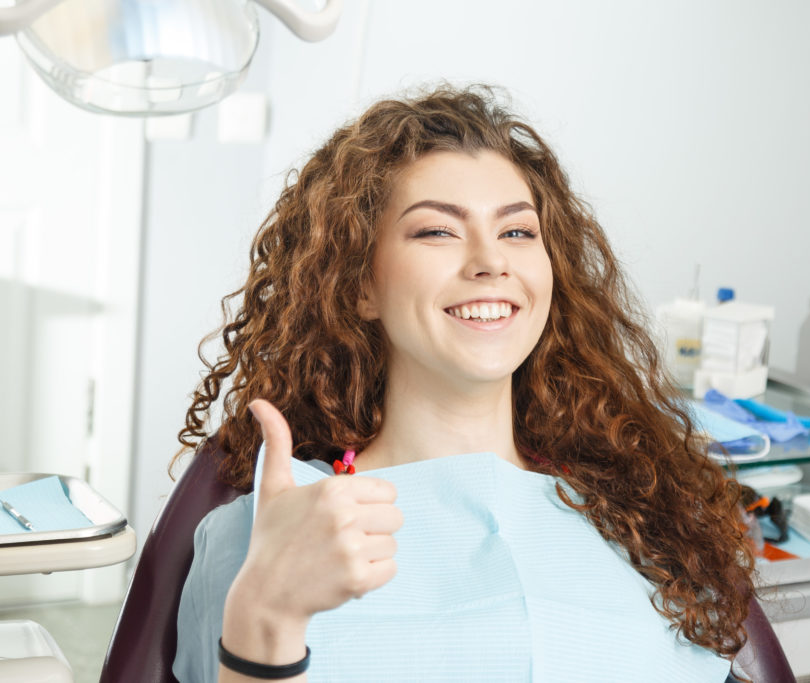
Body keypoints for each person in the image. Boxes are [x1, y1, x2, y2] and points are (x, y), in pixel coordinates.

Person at [172, 84, 754, 682]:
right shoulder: (269, 532)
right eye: (437, 232)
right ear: (359, 286)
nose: (490, 261)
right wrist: (266, 616)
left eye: (518, 233)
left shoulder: (638, 515)